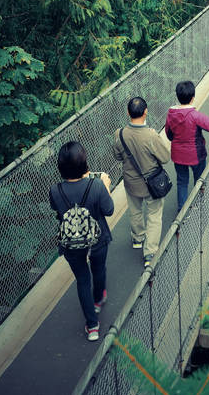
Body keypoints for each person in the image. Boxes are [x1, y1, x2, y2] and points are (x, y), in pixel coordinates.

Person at [49, 141, 114, 342]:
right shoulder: (96, 185)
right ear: (84, 163)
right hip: (97, 239)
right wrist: (106, 186)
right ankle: (98, 300)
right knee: (99, 269)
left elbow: (57, 210)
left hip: (71, 244)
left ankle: (92, 325)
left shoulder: (55, 190)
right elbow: (109, 210)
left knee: (82, 280)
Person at [113, 97, 171, 269]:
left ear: (128, 113)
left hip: (131, 182)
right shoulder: (151, 135)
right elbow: (165, 158)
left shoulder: (119, 134)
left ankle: (138, 238)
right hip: (152, 184)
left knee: (135, 211)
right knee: (154, 215)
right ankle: (150, 252)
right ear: (146, 112)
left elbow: (117, 157)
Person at [165, 81, 209, 209]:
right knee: (199, 180)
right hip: (196, 155)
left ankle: (182, 211)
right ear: (192, 98)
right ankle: (198, 204)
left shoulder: (171, 114)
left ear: (178, 97)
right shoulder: (194, 116)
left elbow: (169, 134)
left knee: (182, 182)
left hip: (178, 155)